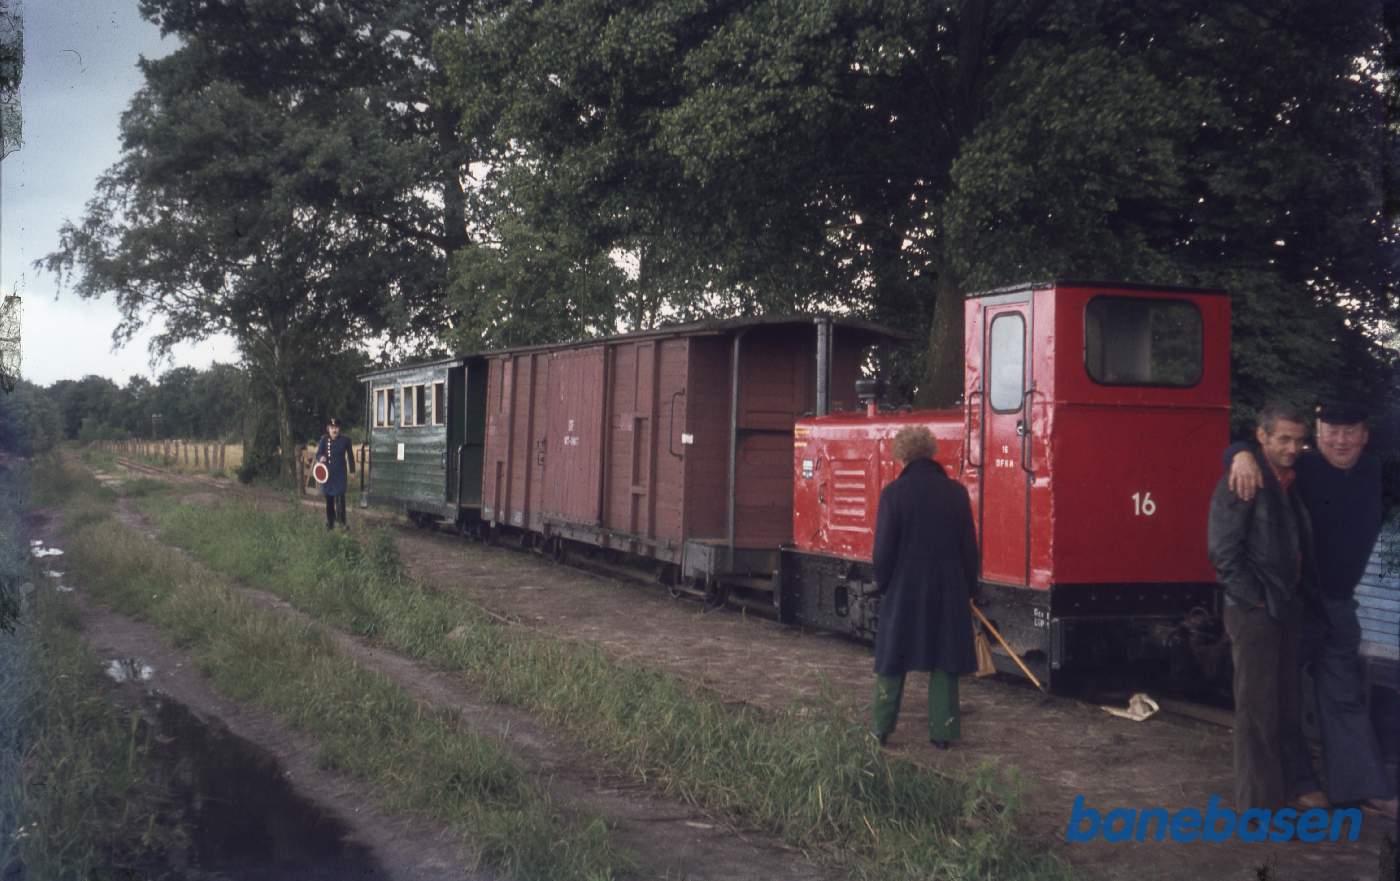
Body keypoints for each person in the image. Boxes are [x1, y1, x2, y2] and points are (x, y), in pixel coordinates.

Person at [1225, 401, 1397, 819]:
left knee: (1343, 697)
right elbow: (1258, 445)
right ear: (1317, 434)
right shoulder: (1299, 470)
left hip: (1338, 607)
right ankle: (1299, 783)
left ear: (1365, 435)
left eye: (1350, 430)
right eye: (1331, 430)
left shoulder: (1378, 470)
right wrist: (1239, 453)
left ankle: (1360, 787)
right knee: (1280, 697)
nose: (1341, 440)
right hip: (1292, 604)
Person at [1208, 403, 1318, 814]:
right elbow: (1223, 552)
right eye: (1284, 439)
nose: (1292, 448)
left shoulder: (1287, 480)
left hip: (1282, 607)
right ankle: (1258, 810)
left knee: (1282, 706)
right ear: (1262, 437)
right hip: (1255, 609)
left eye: (1298, 440)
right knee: (1257, 713)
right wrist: (1254, 599)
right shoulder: (1245, 478)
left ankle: (1281, 797)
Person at [870, 425, 979, 749]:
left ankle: (881, 728)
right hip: (948, 589)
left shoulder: (893, 494)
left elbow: (883, 550)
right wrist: (969, 589)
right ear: (931, 453)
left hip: (904, 589)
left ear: (902, 455)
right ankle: (943, 733)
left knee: (892, 657)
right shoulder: (956, 493)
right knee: (945, 659)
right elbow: (968, 549)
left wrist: (884, 584)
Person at [315, 418, 356, 530]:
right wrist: (320, 457)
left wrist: (352, 471)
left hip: (340, 475)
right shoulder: (324, 440)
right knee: (329, 500)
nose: (334, 430)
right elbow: (318, 454)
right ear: (328, 429)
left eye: (336, 428)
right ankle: (330, 523)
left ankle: (342, 523)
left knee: (340, 499)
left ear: (339, 428)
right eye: (332, 428)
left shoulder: (346, 440)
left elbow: (351, 457)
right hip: (328, 475)